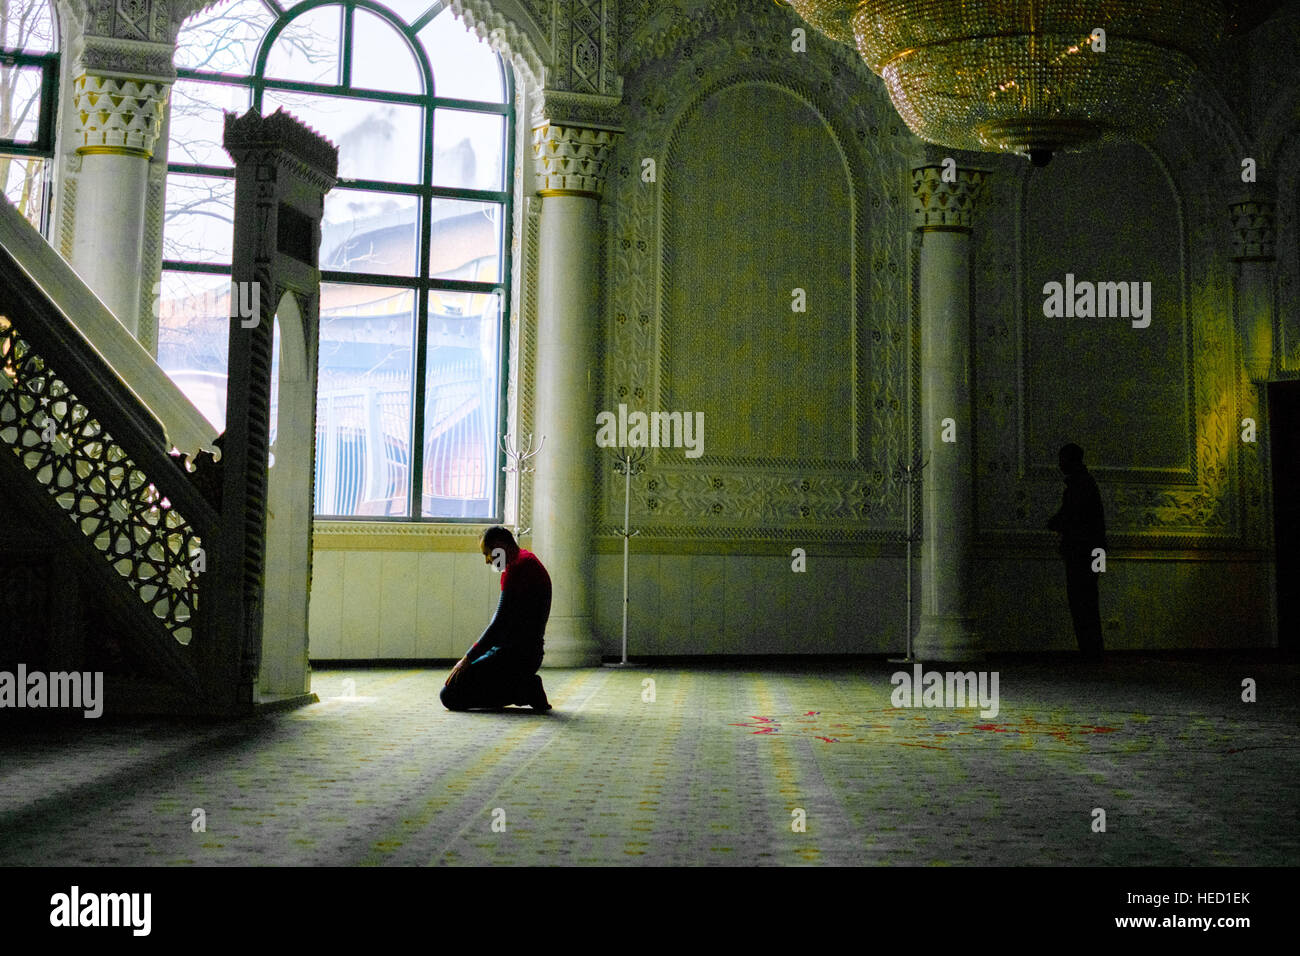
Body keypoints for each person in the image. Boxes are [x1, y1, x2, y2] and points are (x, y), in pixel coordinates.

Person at [440, 526, 552, 711]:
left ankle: (525, 690)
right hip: (524, 653)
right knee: (462, 686)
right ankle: (523, 686)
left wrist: (467, 659)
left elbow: (498, 623)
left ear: (500, 547)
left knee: (450, 696)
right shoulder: (524, 560)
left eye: (488, 554)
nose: (487, 561)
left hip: (517, 656)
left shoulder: (518, 568)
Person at [1047, 443, 1107, 661]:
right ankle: (1093, 651)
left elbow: (1071, 517)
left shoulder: (1078, 486)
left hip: (1081, 553)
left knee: (1081, 601)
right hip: (1093, 552)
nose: (1059, 464)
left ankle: (1090, 652)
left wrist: (1053, 523)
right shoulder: (1086, 483)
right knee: (1089, 600)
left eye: (1062, 459)